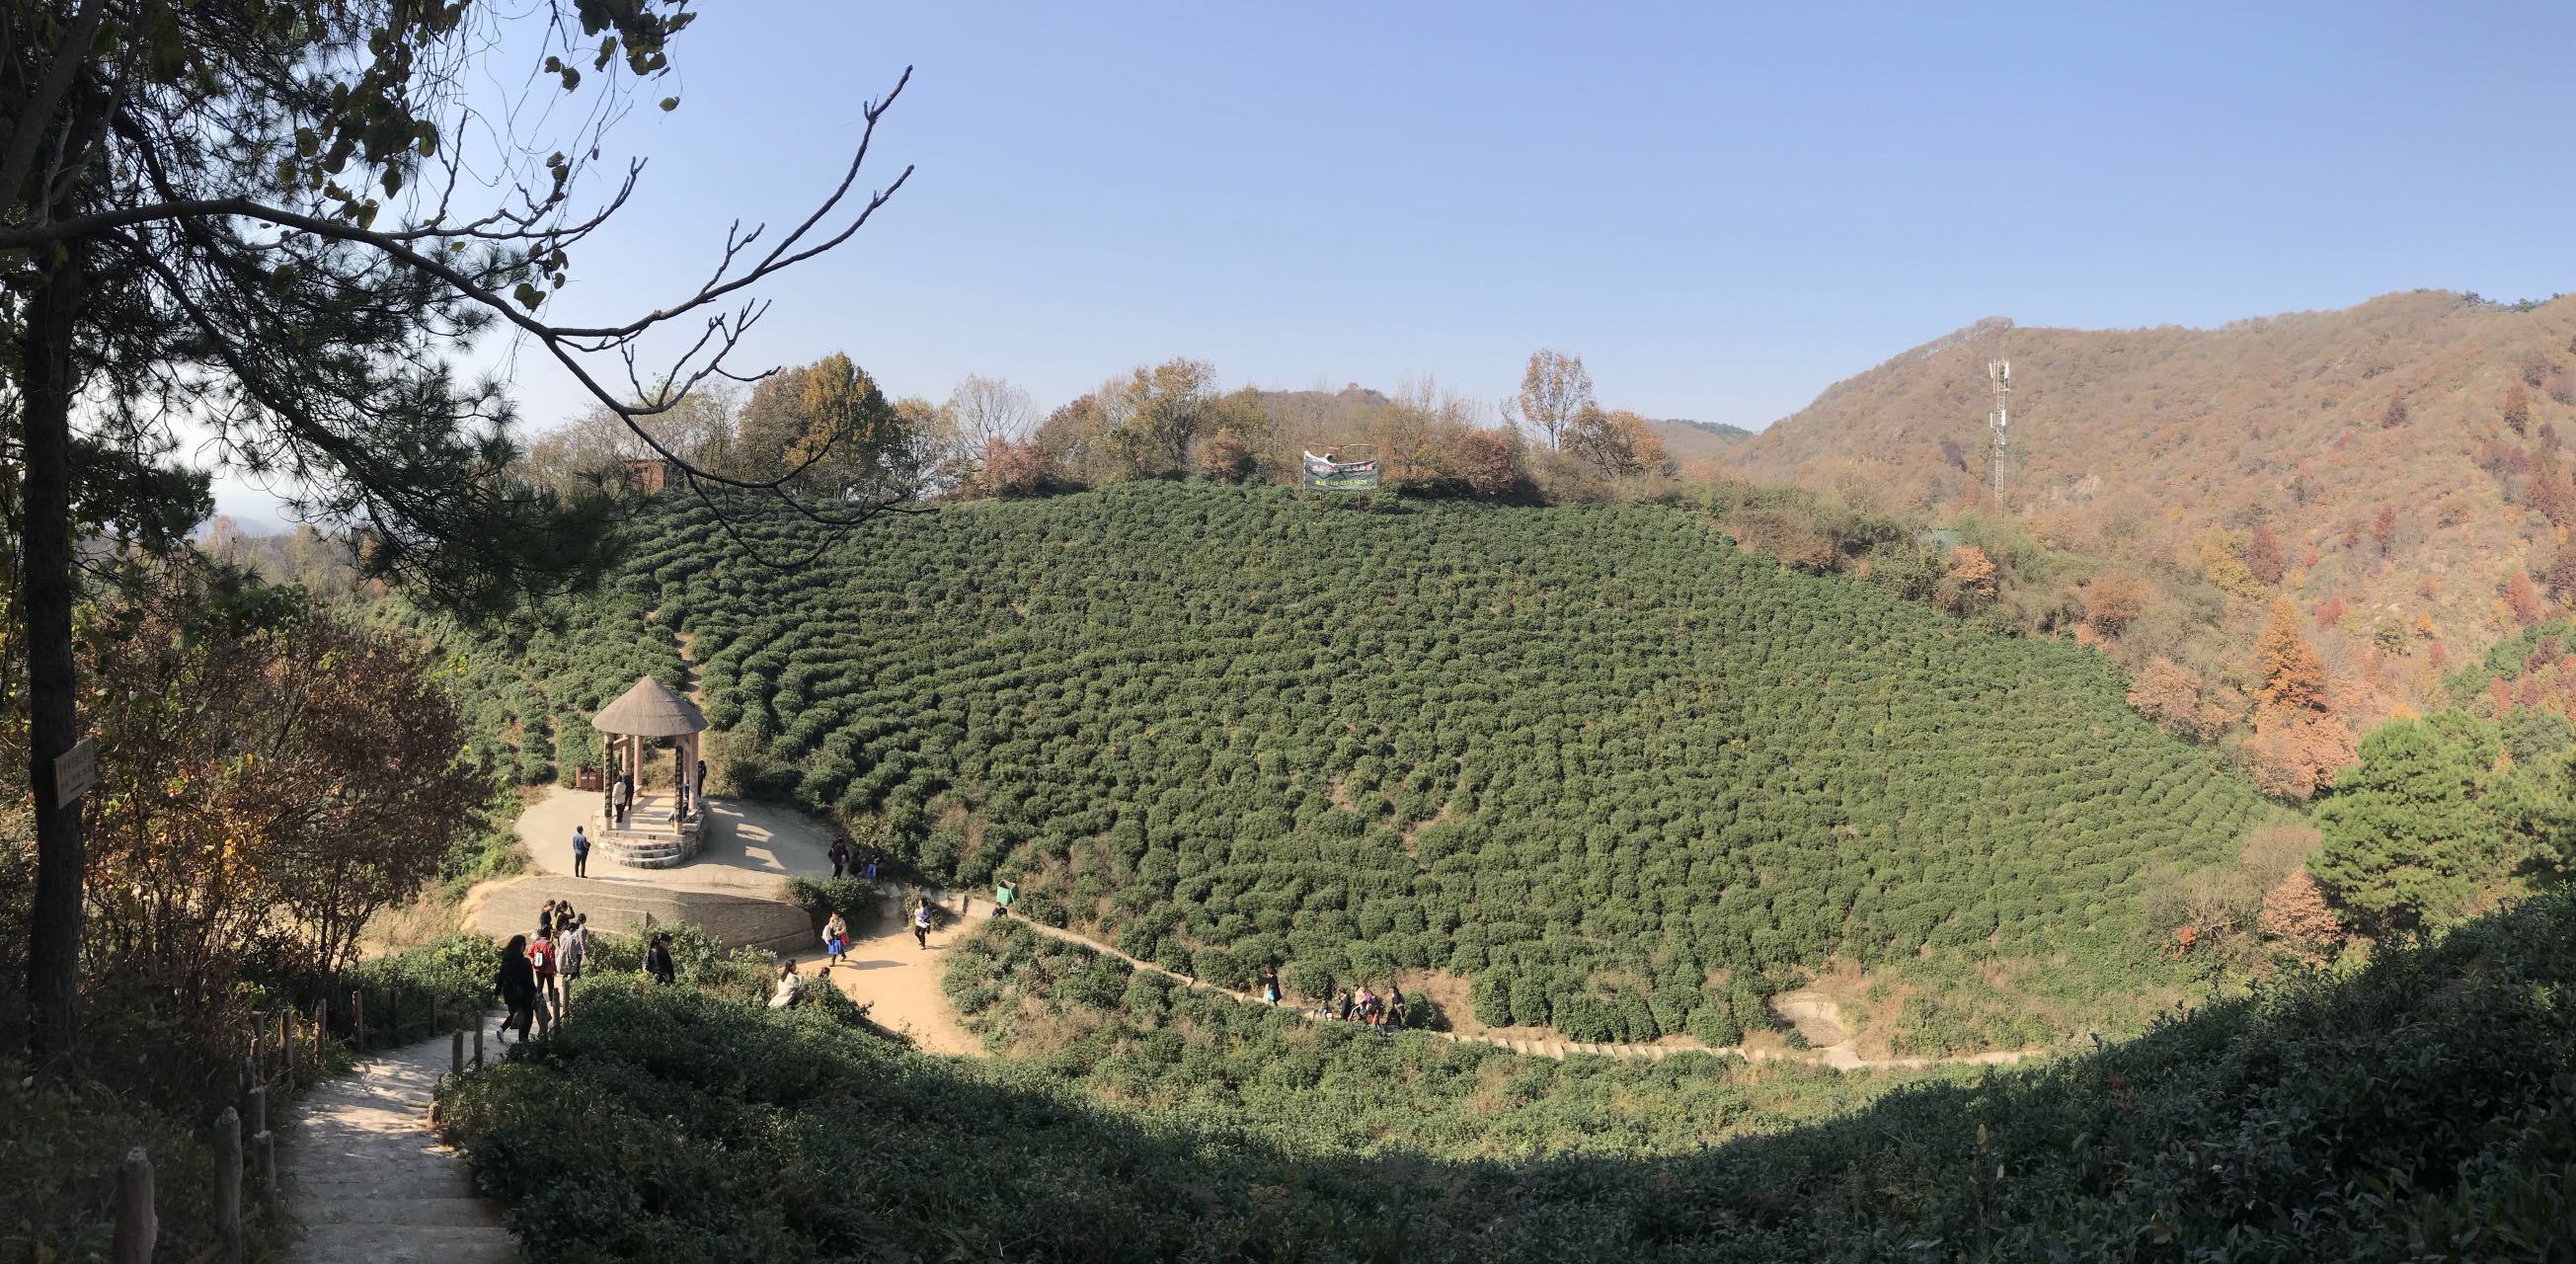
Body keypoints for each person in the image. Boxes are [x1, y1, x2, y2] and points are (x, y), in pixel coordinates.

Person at [493, 934, 537, 1045]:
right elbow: (529, 982)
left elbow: (500, 978)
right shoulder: (525, 962)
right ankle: (522, 1041)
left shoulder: (506, 961)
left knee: (515, 1013)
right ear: (521, 946)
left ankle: (502, 1029)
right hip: (524, 995)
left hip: (509, 994)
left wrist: (496, 994)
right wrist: (535, 993)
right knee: (527, 1017)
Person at [528, 930, 561, 1034]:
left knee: (539, 985)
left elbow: (529, 953)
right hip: (549, 969)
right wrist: (555, 968)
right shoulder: (550, 944)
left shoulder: (536, 943)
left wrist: (535, 960)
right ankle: (552, 1001)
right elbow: (552, 958)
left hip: (538, 969)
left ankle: (538, 1000)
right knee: (551, 986)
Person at [560, 913, 588, 1005]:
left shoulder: (564, 934)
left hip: (566, 952)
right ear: (584, 920)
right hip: (576, 951)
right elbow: (581, 941)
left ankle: (565, 985)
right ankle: (570, 986)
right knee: (575, 969)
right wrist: (584, 951)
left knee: (568, 969)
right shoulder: (582, 929)